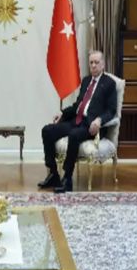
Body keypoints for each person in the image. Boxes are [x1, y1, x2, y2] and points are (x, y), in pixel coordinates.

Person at [39, 50, 118, 194]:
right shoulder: (86, 81)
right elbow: (77, 106)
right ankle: (53, 174)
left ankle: (67, 178)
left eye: (96, 62)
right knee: (47, 130)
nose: (93, 65)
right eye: (91, 62)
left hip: (91, 125)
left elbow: (111, 110)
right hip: (76, 120)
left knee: (74, 135)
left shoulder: (109, 84)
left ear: (103, 64)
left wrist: (99, 120)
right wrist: (62, 114)